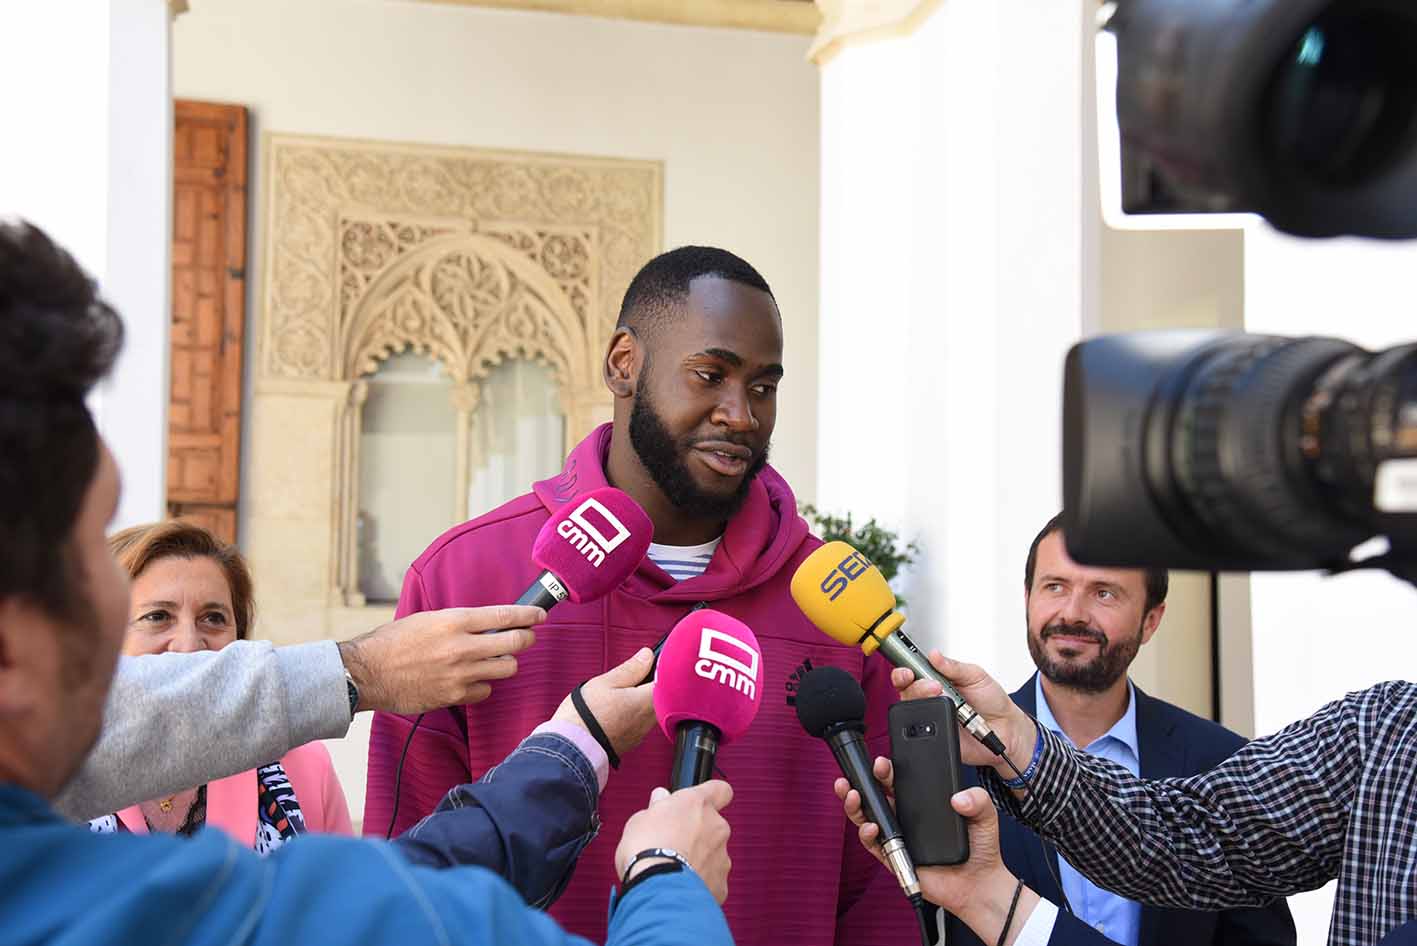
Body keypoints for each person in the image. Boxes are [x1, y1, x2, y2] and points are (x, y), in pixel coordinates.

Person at [0, 218, 734, 946]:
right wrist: (668, 886)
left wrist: (361, 672)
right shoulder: (152, 909)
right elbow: (377, 909)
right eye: (92, 548)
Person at [366, 245, 914, 945]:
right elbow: (407, 875)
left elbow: (875, 892)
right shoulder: (464, 578)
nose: (740, 414)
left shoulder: (829, 601)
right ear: (623, 364)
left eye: (763, 387)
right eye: (710, 375)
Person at [941, 514, 1293, 946]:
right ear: (1028, 597)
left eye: (1103, 593)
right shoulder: (958, 755)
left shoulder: (1222, 761)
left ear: (1151, 620)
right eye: (1055, 586)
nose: (1072, 613)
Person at [86, 521, 352, 849]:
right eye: (157, 617)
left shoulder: (305, 765)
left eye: (213, 618)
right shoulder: (45, 767)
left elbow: (340, 898)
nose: (188, 645)